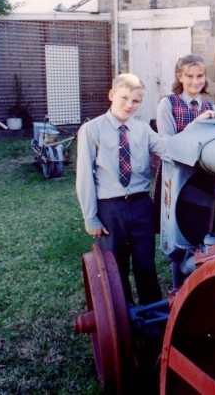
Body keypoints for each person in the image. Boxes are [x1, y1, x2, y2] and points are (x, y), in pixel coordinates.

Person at [76, 73, 165, 305]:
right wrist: (90, 217)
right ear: (111, 95)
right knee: (116, 268)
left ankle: (152, 318)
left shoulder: (143, 129)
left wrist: (197, 133)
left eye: (135, 101)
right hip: (110, 209)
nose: (129, 105)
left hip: (141, 206)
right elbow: (84, 176)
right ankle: (123, 319)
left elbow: (168, 148)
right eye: (124, 98)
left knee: (146, 265)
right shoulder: (91, 129)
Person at [154, 54, 215, 286]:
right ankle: (178, 286)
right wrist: (196, 124)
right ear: (179, 77)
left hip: (203, 181)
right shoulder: (168, 103)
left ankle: (200, 282)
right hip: (178, 180)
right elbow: (168, 145)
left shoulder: (211, 106)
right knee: (178, 232)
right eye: (189, 76)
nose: (195, 81)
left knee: (201, 231)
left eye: (199, 76)